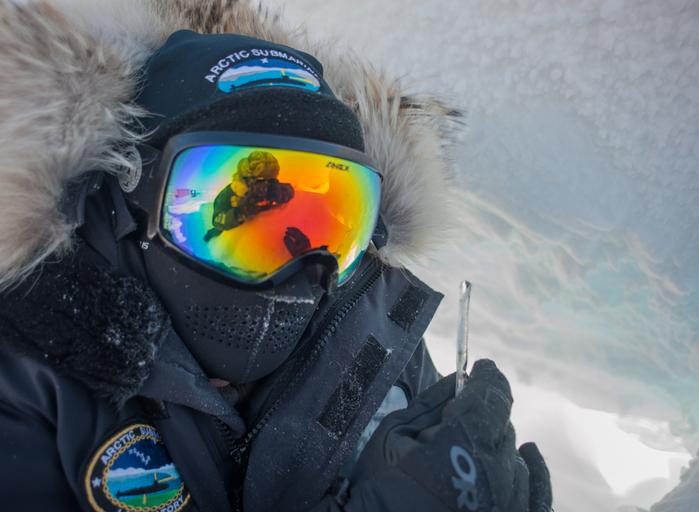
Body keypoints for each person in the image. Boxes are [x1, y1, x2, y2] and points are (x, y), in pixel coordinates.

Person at [0, 2, 552, 512]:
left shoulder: (368, 331)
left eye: (331, 222)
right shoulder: (29, 379)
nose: (298, 273)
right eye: (241, 221)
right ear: (131, 197)